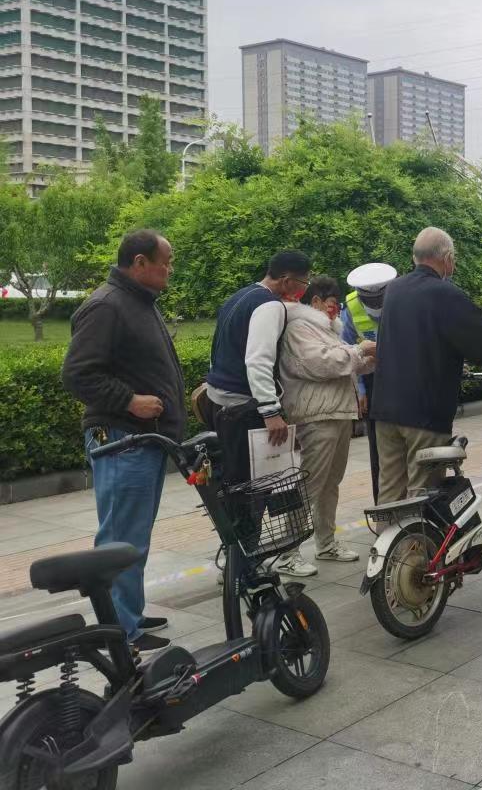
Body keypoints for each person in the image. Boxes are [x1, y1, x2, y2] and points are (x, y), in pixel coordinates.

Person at [61, 230, 185, 651]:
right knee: (120, 538)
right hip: (121, 439)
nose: (170, 269)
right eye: (165, 262)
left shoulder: (137, 302)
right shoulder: (107, 305)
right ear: (139, 263)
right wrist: (130, 401)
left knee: (134, 535)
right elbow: (78, 374)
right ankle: (120, 634)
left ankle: (128, 613)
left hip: (142, 440)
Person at [371, 227, 482, 503]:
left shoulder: (394, 289)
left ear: (415, 257)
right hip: (424, 413)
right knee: (422, 494)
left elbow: (409, 340)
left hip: (385, 410)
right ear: (447, 258)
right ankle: (417, 534)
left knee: (390, 493)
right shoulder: (443, 293)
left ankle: (387, 534)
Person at [279, 276, 377, 571]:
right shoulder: (299, 327)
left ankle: (326, 543)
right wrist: (360, 350)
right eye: (332, 303)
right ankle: (287, 553)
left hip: (336, 413)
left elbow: (345, 362)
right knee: (310, 484)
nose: (336, 310)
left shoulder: (326, 329)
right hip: (316, 416)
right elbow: (322, 363)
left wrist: (370, 357)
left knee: (330, 483)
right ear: (316, 302)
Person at [205, 250, 312, 493]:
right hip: (243, 409)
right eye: (304, 282)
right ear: (287, 281)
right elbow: (258, 360)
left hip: (220, 402)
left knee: (234, 486)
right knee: (252, 490)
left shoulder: (241, 295)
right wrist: (270, 411)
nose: (305, 288)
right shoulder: (269, 305)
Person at [340, 262, 397, 502]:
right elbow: (346, 349)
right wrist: (360, 389)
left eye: (379, 299)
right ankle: (383, 503)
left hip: (406, 377)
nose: (374, 304)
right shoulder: (351, 307)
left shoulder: (404, 298)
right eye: (369, 300)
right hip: (373, 380)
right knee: (378, 446)